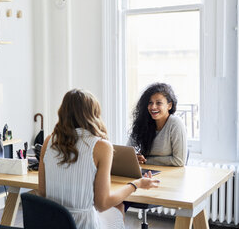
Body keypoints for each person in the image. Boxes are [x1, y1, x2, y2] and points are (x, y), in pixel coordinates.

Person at [38, 89, 160, 229]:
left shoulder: (48, 141)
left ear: (63, 112)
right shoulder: (101, 146)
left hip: (52, 223)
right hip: (83, 225)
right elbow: (102, 204)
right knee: (118, 207)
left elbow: (42, 192)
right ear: (93, 114)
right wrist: (136, 184)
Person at [127, 83, 187, 167]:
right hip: (148, 173)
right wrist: (135, 157)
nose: (153, 107)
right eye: (150, 103)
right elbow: (128, 151)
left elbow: (179, 161)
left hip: (169, 175)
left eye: (158, 103)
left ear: (169, 105)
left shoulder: (175, 123)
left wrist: (146, 160)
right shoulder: (143, 122)